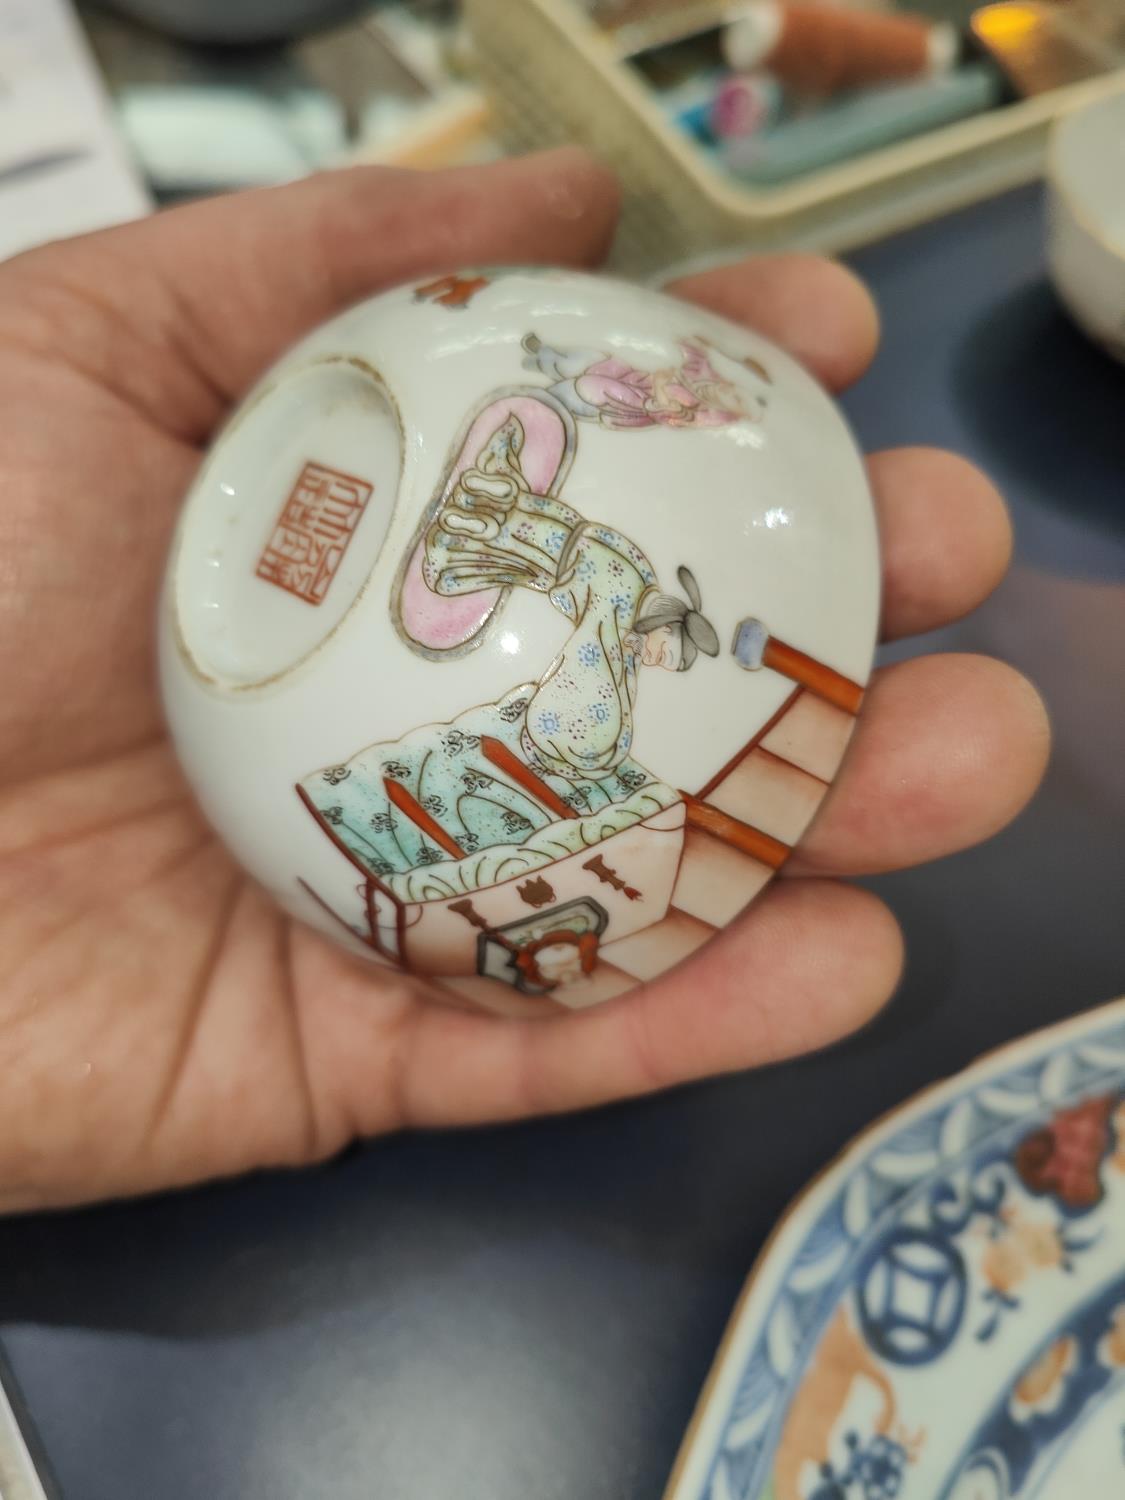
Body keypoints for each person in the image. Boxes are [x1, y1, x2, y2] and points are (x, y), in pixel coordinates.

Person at [0, 147, 1048, 1211]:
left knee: (613, 594)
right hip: (533, 758)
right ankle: (498, 545)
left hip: (523, 745)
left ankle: (498, 543)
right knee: (608, 605)